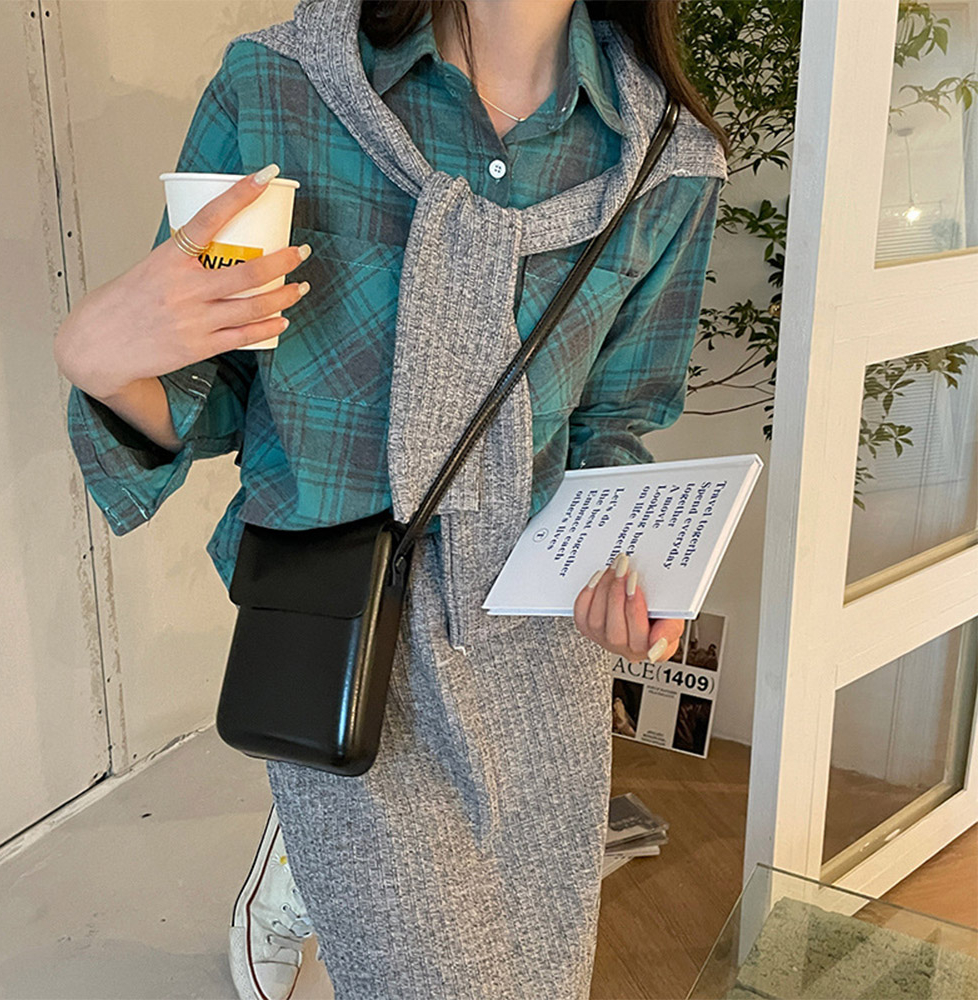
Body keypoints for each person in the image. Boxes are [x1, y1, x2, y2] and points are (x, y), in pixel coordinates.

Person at [55, 1, 730, 997]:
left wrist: (630, 573)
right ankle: (305, 855)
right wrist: (100, 363)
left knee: (540, 972)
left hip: (537, 654)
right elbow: (210, 390)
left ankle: (290, 867)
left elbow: (612, 419)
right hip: (346, 627)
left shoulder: (664, 159)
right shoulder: (281, 88)